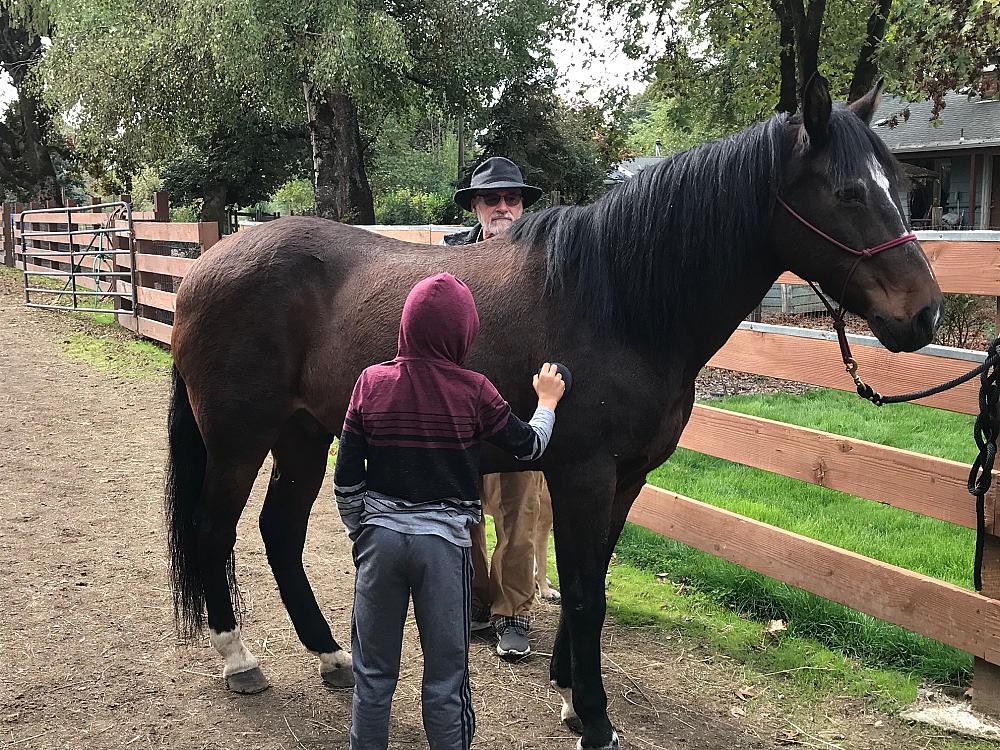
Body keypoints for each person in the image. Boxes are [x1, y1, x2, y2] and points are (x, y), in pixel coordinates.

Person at [334, 272, 566, 750]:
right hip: (444, 549)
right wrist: (546, 401)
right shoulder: (474, 389)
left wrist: (364, 531)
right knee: (446, 679)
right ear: (463, 334)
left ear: (405, 326)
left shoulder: (369, 383)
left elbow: (346, 476)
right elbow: (529, 447)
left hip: (379, 543)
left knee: (373, 676)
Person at [444, 156, 555, 660]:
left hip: (515, 413)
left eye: (513, 198)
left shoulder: (545, 263)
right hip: (460, 416)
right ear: (475, 206)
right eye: (493, 199)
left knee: (518, 514)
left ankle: (513, 612)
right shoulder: (448, 266)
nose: (504, 207)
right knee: (462, 513)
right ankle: (475, 602)